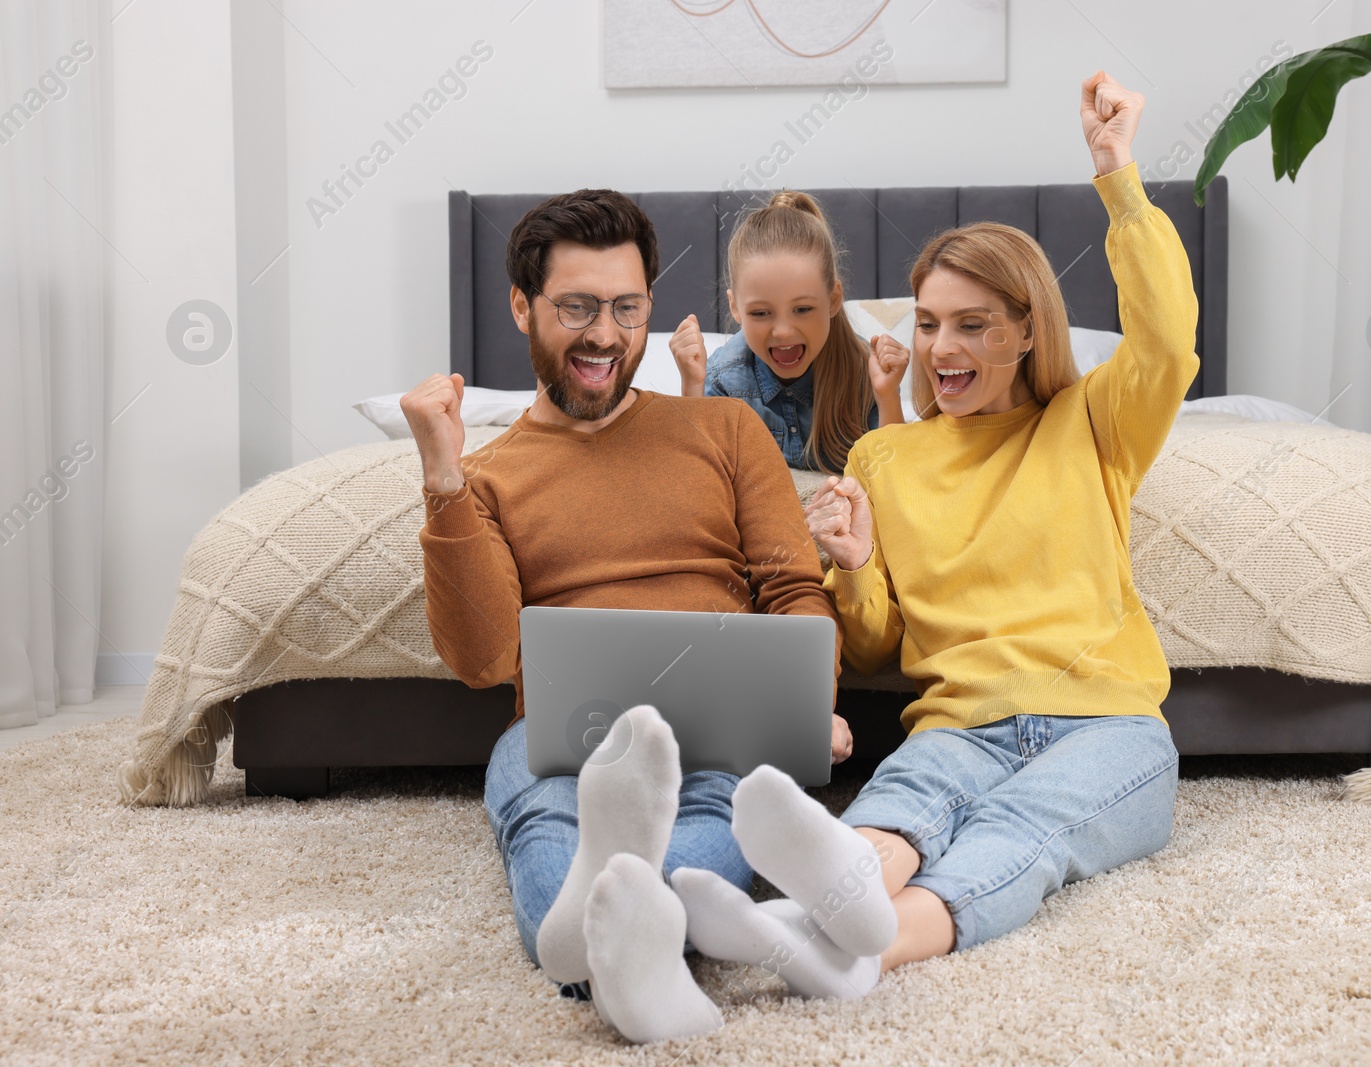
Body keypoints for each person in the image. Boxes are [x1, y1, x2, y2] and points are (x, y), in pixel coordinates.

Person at [671, 70, 1196, 978]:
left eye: (973, 325)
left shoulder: (1093, 422)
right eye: (927, 324)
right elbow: (872, 648)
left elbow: (1167, 339)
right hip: (955, 724)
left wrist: (1118, 174)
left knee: (1020, 831)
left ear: (1026, 332)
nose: (942, 348)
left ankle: (858, 945)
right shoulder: (885, 458)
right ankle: (810, 914)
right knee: (905, 802)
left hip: (1107, 723)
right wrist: (853, 566)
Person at [398, 188, 856, 1043]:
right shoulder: (488, 478)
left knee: (713, 810)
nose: (605, 334)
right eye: (576, 307)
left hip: (716, 729)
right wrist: (443, 478)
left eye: (626, 307)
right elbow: (484, 655)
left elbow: (795, 590)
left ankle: (590, 946)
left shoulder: (725, 429)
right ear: (522, 307)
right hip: (565, 736)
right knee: (543, 808)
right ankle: (632, 941)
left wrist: (805, 700)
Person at [668, 190, 911, 473]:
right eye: (760, 313)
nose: (783, 332)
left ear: (833, 300)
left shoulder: (863, 370)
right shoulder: (723, 378)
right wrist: (691, 388)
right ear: (735, 308)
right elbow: (699, 481)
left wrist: (888, 395)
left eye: (803, 309)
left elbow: (894, 479)